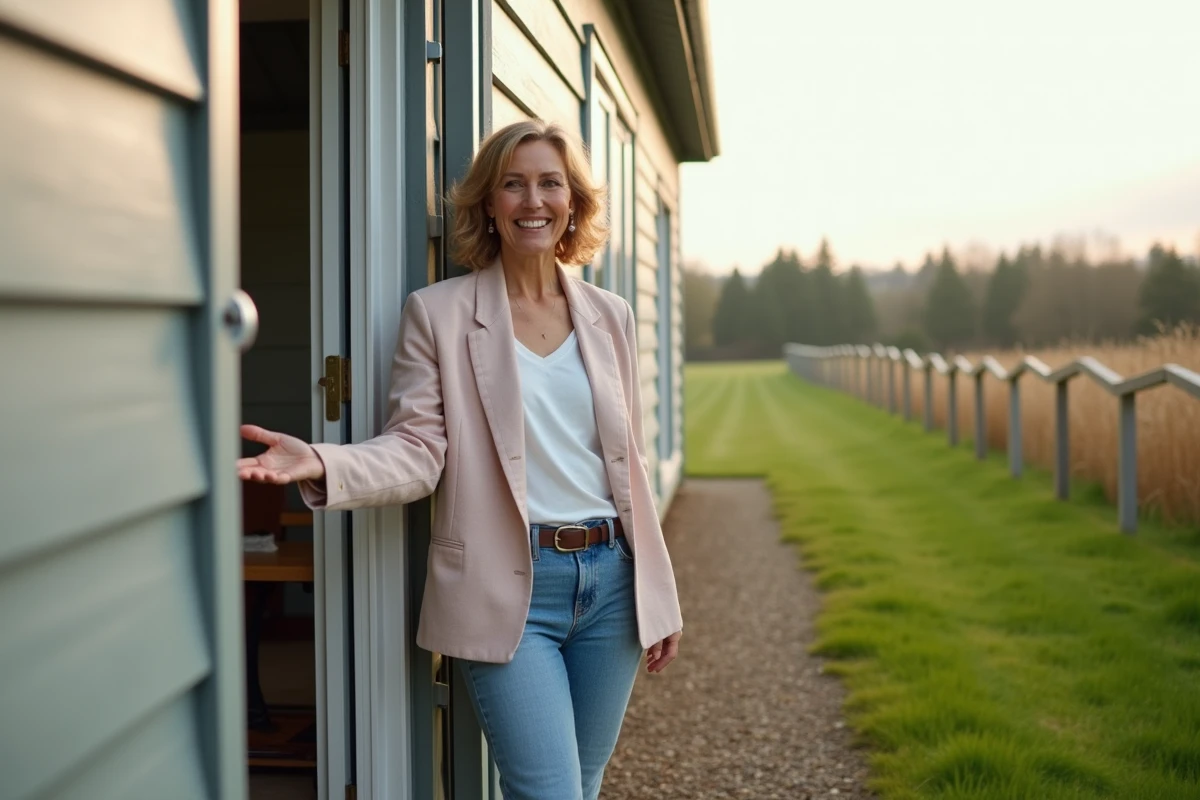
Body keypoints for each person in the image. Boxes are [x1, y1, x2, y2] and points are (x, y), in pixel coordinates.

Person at [238, 118, 683, 799]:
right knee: (549, 792)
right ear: (488, 203)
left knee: (583, 785)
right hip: (510, 591)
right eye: (513, 184)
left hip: (612, 587)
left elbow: (631, 467)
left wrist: (658, 592)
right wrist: (324, 462)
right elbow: (418, 451)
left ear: (573, 203)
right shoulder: (439, 314)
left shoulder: (610, 316)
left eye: (549, 184)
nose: (532, 200)